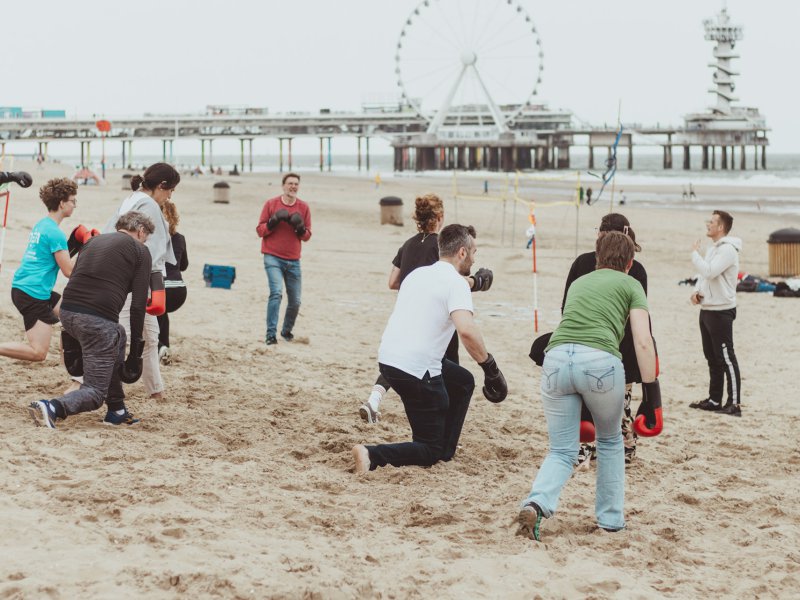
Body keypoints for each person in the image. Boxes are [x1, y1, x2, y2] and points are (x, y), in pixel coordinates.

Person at [516, 231, 657, 541]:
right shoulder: (632, 284)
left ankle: (536, 502)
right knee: (610, 442)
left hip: (555, 359)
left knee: (562, 450)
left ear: (597, 258)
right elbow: (643, 341)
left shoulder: (580, 283)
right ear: (630, 263)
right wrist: (652, 394)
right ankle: (610, 520)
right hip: (600, 362)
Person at [352, 224, 507, 473]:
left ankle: (446, 448)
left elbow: (447, 288)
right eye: (474, 252)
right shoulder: (455, 284)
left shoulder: (417, 274)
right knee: (428, 449)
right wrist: (491, 368)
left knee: (463, 381)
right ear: (463, 253)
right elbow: (466, 330)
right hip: (416, 369)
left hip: (389, 361)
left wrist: (475, 282)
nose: (475, 258)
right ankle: (372, 454)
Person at [359, 193, 493, 423]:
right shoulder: (440, 246)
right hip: (435, 312)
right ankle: (445, 424)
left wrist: (415, 285)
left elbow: (392, 282)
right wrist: (478, 282)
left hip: (407, 309)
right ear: (440, 216)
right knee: (447, 368)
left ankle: (374, 399)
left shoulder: (408, 244)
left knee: (403, 357)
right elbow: (448, 280)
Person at [27, 211, 153, 429]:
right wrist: (136, 353)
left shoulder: (93, 242)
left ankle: (117, 410)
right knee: (95, 393)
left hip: (67, 313)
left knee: (118, 334)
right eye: (146, 237)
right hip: (96, 322)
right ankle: (52, 407)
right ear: (141, 231)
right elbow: (138, 305)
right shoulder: (141, 250)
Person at [561, 213, 648, 465]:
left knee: (619, 405)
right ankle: (586, 448)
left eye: (600, 230)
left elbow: (637, 318)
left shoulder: (636, 269)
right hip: (593, 343)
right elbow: (568, 306)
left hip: (622, 348)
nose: (597, 234)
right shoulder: (583, 263)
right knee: (586, 400)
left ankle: (626, 447)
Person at [103, 162, 179, 399]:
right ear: (161, 185)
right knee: (123, 334)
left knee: (149, 336)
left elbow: (109, 234)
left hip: (122, 275)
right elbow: (151, 253)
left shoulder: (130, 199)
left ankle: (156, 390)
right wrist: (154, 286)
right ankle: (84, 381)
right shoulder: (149, 204)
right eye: (170, 190)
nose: (170, 196)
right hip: (135, 280)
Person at [0, 178, 77, 362]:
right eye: (73, 201)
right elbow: (68, 271)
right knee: (38, 353)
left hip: (27, 287)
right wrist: (91, 255)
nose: (75, 205)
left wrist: (76, 245)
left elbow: (53, 258)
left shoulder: (42, 225)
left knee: (73, 315)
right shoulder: (55, 233)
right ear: (61, 203)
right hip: (32, 294)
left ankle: (68, 357)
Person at [688, 210, 742, 416]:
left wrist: (694, 254)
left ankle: (734, 404)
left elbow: (709, 270)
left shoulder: (728, 249)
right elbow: (706, 277)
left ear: (720, 227)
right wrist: (696, 293)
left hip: (721, 311)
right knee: (712, 357)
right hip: (707, 310)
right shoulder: (714, 248)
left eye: (711, 222)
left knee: (726, 357)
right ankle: (714, 399)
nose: (707, 224)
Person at [256, 172, 312, 345]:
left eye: (296, 184)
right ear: (283, 185)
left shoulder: (303, 207)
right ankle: (270, 335)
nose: (293, 186)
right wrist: (273, 222)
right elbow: (260, 230)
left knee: (295, 301)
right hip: (272, 257)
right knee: (276, 293)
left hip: (293, 260)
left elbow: (307, 236)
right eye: (290, 183)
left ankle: (286, 331)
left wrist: (301, 228)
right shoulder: (271, 204)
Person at [156, 200, 188, 364]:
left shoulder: (155, 239)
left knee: (147, 318)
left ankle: (159, 346)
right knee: (162, 313)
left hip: (162, 288)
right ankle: (165, 348)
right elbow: (184, 265)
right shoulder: (180, 238)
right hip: (180, 291)